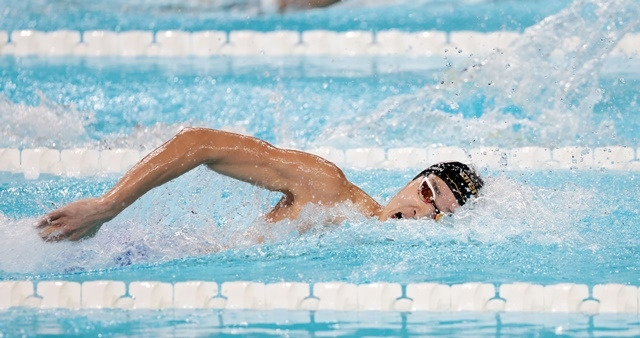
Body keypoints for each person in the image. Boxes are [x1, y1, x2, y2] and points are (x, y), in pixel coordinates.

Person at [37, 127, 484, 242]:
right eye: (428, 193)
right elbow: (199, 142)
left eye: (439, 213)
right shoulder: (326, 188)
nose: (423, 212)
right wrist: (108, 205)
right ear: (412, 182)